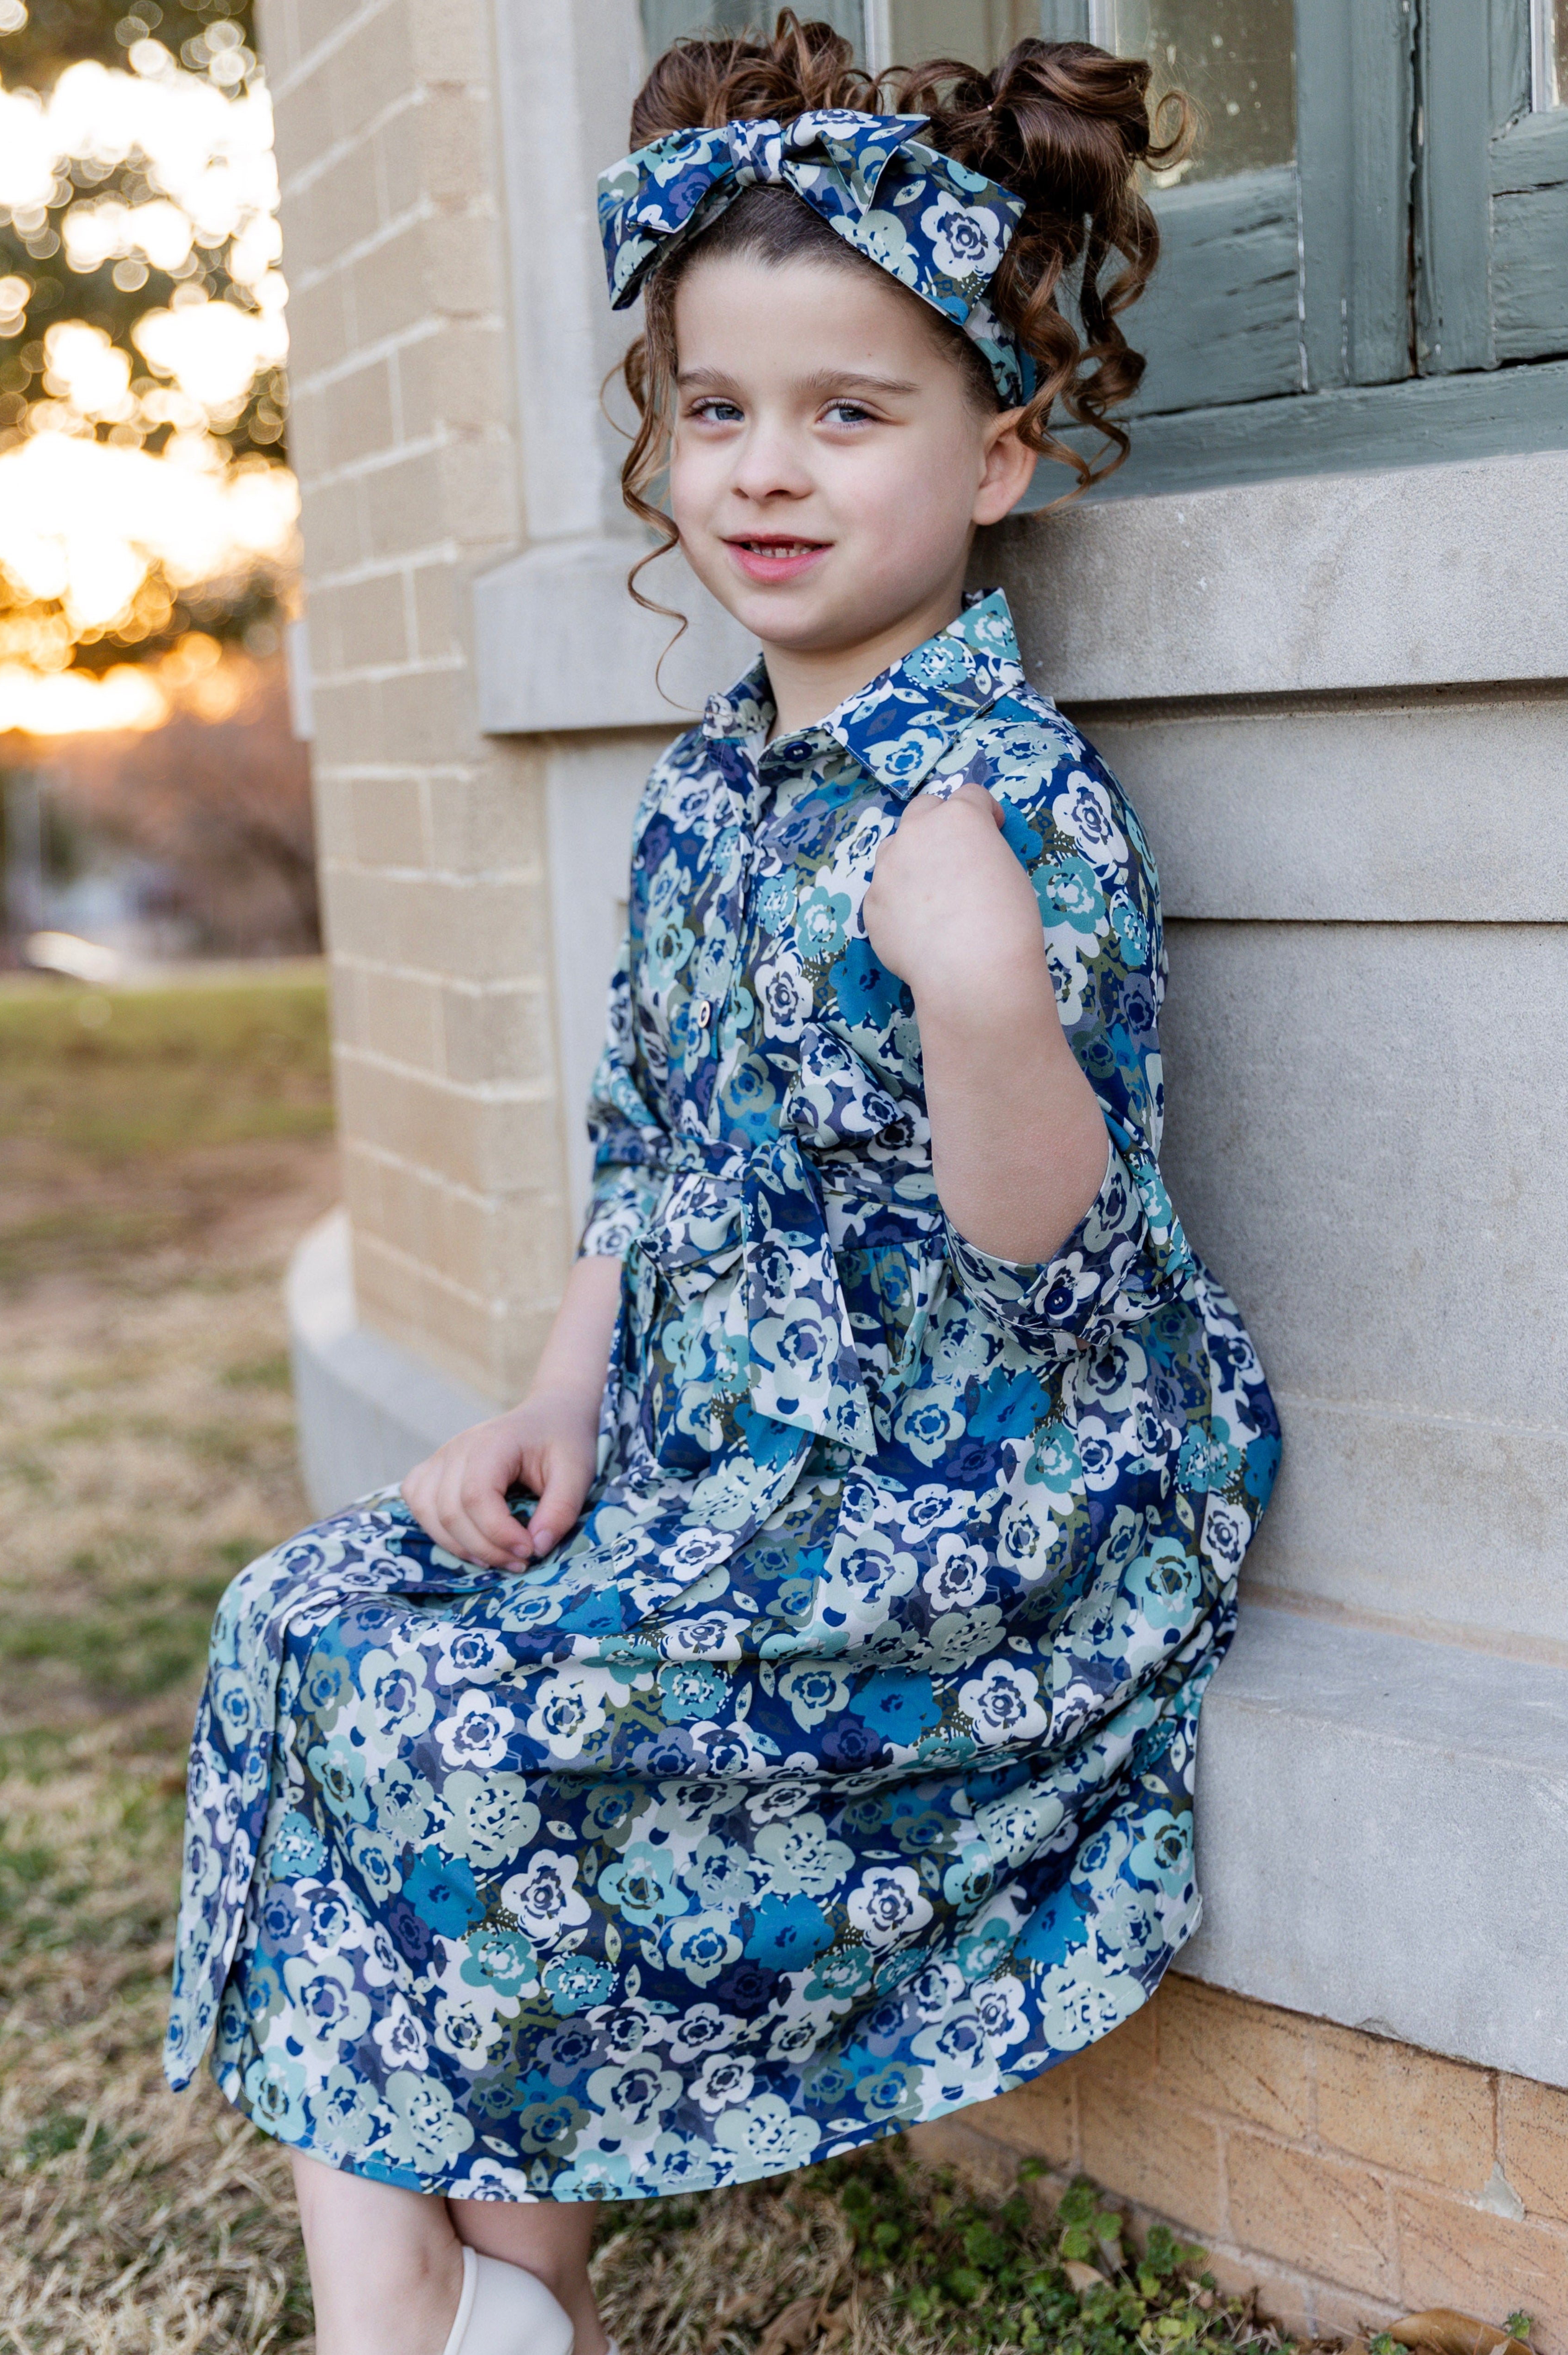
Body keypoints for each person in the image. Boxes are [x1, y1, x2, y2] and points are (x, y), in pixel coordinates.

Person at [164, 18, 1280, 2355]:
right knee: (305, 1621)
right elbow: (651, 1149)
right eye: (717, 411)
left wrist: (984, 997)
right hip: (708, 1442)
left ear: (995, 457)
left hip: (976, 1497)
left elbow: (1050, 1265)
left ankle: (449, 2314)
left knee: (452, 1728)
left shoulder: (997, 801)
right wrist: (551, 1399)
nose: (768, 474)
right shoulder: (710, 785)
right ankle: (471, 2306)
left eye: (847, 415)